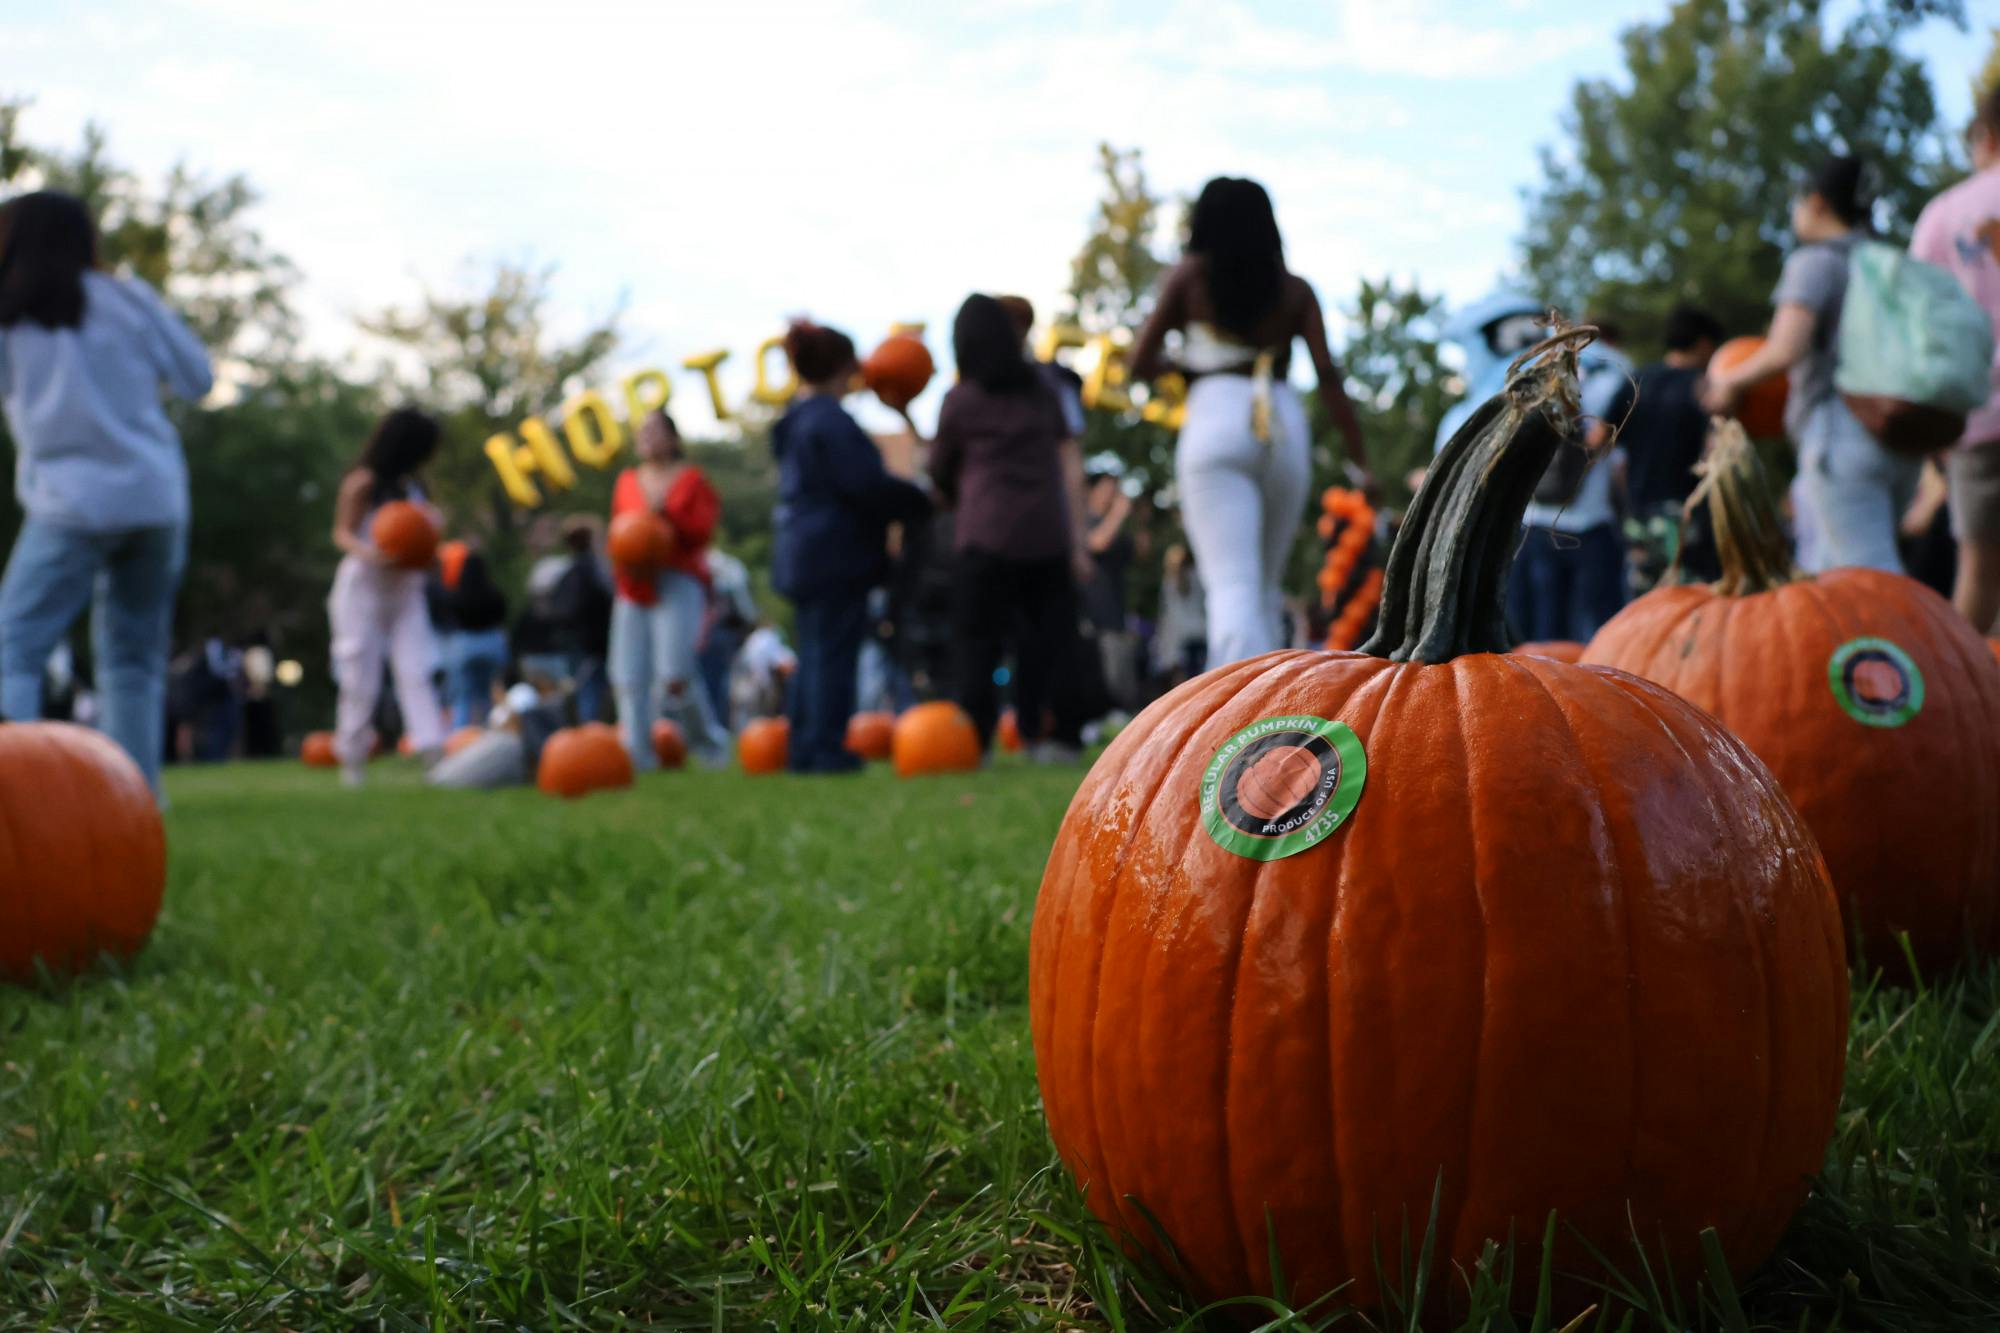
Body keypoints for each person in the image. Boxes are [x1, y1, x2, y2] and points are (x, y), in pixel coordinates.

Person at [0, 190, 211, 798]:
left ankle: (14, 795)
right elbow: (198, 378)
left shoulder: (11, 314)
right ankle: (134, 802)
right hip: (155, 499)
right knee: (133, 661)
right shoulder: (129, 299)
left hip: (69, 505)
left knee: (15, 645)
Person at [1130, 176, 1368, 667]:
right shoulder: (1296, 291)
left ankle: (1239, 717)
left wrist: (1185, 366)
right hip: (1281, 425)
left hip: (1214, 416)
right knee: (1263, 584)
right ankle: (1275, 704)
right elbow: (1328, 377)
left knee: (1230, 583)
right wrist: (1361, 464)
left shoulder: (1188, 278)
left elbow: (1139, 363)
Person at [1705, 155, 1917, 573]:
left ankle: (1910, 642)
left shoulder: (1815, 262)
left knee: (1869, 580)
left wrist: (1729, 381)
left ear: (1817, 203)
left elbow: (1786, 348)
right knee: (1827, 573)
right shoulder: (1889, 264)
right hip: (1901, 432)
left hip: (1841, 433)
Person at [927, 293, 1093, 756]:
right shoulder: (1044, 391)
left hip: (984, 535)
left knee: (977, 644)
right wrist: (1078, 543)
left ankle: (974, 740)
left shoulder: (960, 400)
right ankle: (1058, 735)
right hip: (1044, 535)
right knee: (1051, 642)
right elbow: (1069, 463)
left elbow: (939, 471)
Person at [770, 320, 931, 773]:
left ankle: (804, 747)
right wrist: (918, 499)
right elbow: (865, 485)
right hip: (834, 552)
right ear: (844, 368)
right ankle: (826, 748)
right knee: (833, 653)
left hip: (800, 549)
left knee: (814, 649)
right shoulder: (831, 421)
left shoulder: (794, 422)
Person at [1911, 86, 2000, 633]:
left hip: (1978, 411)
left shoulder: (1944, 214)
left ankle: (1972, 705)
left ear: (1985, 136)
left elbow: (1919, 326)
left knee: (1980, 567)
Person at [327, 406, 449, 784]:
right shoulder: (363, 482)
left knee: (417, 669)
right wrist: (370, 553)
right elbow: (342, 532)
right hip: (363, 588)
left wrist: (430, 556)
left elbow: (423, 540)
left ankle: (434, 754)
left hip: (406, 590)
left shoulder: (417, 489)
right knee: (359, 675)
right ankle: (352, 759)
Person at [608, 408, 728, 768]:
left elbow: (702, 533)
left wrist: (665, 516)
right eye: (643, 431)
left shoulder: (692, 480)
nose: (647, 437)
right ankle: (637, 754)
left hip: (677, 579)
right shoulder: (628, 480)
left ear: (673, 438)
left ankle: (708, 745)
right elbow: (619, 529)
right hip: (633, 582)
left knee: (675, 673)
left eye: (655, 431)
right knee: (628, 673)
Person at [1599, 305, 1725, 591]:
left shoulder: (1636, 381)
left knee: (1647, 605)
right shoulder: (1704, 387)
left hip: (1640, 516)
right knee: (1697, 601)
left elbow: (1598, 439)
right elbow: (1717, 450)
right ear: (1705, 344)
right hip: (1688, 517)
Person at [437, 547, 510, 728]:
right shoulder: (494, 594)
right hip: (492, 643)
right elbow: (502, 615)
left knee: (463, 696)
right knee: (488, 694)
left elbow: (448, 617)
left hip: (465, 644)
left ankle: (460, 735)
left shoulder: (456, 596)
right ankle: (489, 731)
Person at [700, 544, 759, 728]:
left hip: (707, 633)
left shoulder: (708, 566)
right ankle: (716, 725)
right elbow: (745, 609)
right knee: (717, 682)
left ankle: (711, 726)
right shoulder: (730, 567)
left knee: (708, 682)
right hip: (720, 633)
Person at [1153, 542, 1207, 688]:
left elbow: (1166, 611)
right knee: (1199, 670)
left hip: (1177, 634)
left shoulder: (1169, 581)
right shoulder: (1197, 576)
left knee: (1180, 675)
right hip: (1198, 630)